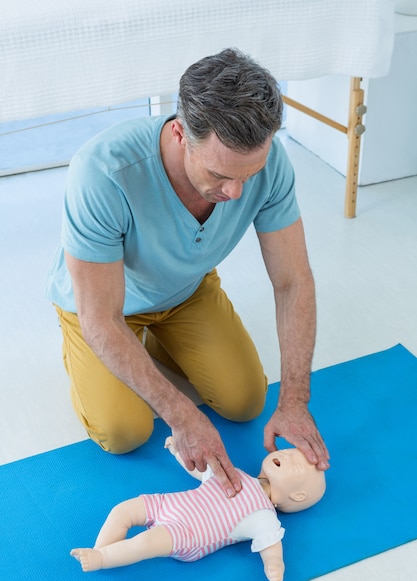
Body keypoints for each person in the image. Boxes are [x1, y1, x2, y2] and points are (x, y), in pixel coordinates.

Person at [45, 48, 330, 499]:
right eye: (219, 175)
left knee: (244, 401)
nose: (235, 193)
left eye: (248, 174)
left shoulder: (270, 165)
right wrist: (182, 414)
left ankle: (160, 340)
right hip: (104, 308)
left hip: (185, 293)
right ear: (180, 133)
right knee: (125, 432)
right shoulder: (102, 171)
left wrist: (295, 398)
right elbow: (100, 317)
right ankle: (90, 347)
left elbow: (293, 280)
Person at [70, 437, 326, 581]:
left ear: (298, 496)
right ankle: (101, 551)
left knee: (146, 542)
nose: (286, 454)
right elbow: (201, 471)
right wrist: (179, 452)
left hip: (188, 534)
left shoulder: (264, 516)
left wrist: (274, 565)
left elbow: (271, 547)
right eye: (290, 451)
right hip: (170, 504)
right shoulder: (238, 474)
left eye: (295, 463)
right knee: (122, 510)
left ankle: (102, 559)